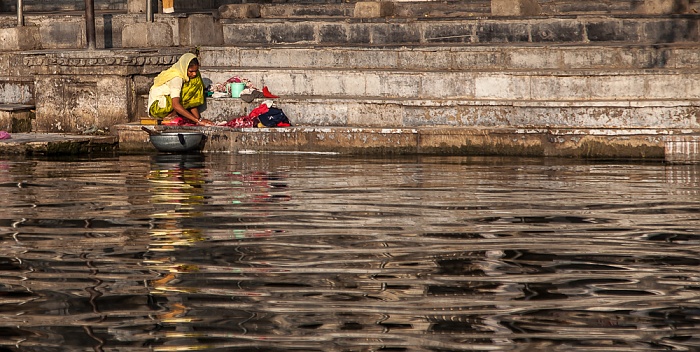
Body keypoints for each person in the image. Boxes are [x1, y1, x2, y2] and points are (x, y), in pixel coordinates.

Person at [147, 53, 212, 126]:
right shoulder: (177, 78)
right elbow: (176, 104)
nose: (194, 74)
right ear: (184, 68)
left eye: (196, 71)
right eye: (191, 71)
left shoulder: (194, 76)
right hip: (159, 106)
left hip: (173, 102)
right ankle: (170, 115)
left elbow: (192, 100)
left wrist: (198, 119)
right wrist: (198, 120)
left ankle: (177, 115)